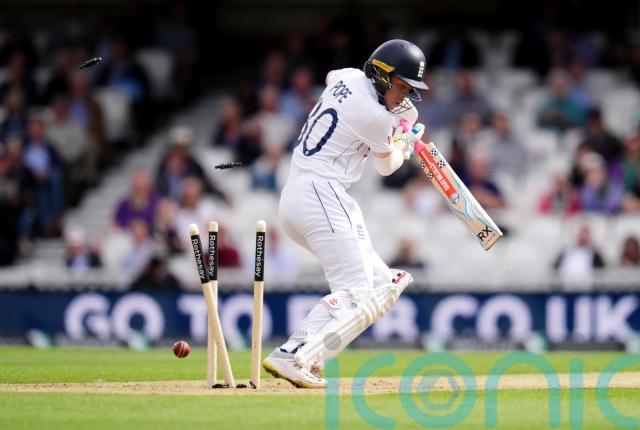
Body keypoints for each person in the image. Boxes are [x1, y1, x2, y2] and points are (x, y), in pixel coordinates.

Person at [262, 39, 427, 388]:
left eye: (408, 89)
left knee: (382, 287)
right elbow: (387, 167)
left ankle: (311, 357)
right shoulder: (375, 117)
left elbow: (331, 76)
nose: (403, 96)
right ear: (380, 74)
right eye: (400, 86)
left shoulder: (348, 76)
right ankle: (292, 353)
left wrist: (398, 122)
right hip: (322, 194)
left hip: (300, 196)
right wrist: (405, 142)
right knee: (358, 292)